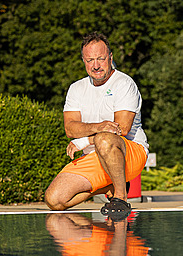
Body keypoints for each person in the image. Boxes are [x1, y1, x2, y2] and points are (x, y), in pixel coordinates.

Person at [45, 32, 148, 219]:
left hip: (130, 154)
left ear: (110, 57)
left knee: (105, 139)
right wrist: (100, 126)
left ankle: (120, 197)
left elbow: (121, 130)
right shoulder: (76, 88)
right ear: (83, 61)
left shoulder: (124, 84)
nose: (96, 65)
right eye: (90, 59)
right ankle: (108, 185)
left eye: (101, 58)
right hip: (96, 156)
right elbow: (70, 128)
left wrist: (85, 140)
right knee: (55, 200)